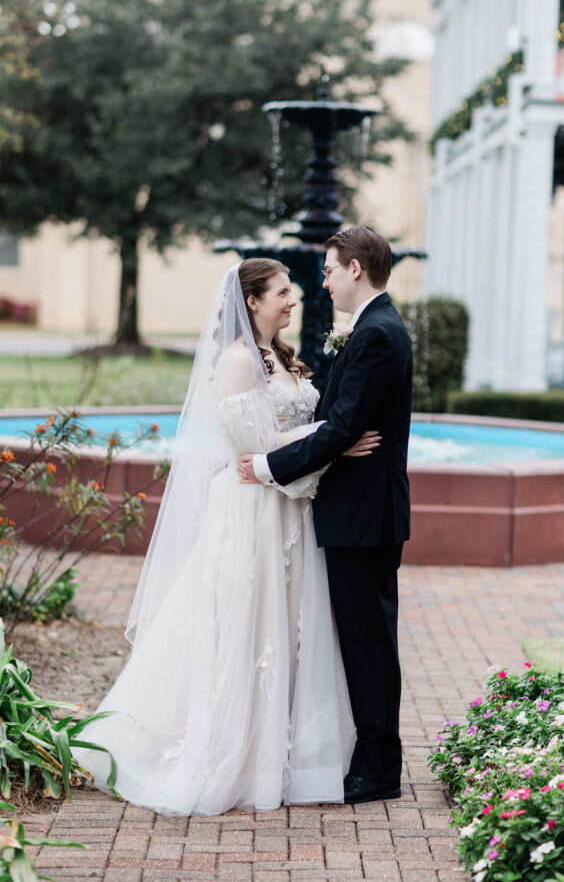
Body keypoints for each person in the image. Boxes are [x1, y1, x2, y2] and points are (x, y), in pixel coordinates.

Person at [76, 258, 379, 815]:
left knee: (287, 628)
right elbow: (257, 453)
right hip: (255, 513)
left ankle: (280, 754)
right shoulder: (239, 363)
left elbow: (286, 445)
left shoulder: (280, 358)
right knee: (249, 628)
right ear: (253, 301)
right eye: (283, 292)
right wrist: (336, 445)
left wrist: (328, 440)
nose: (295, 300)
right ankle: (234, 760)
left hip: (288, 510)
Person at [238, 226, 413, 804]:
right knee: (363, 640)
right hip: (358, 511)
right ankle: (372, 756)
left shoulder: (377, 335)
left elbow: (342, 428)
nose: (325, 280)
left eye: (331, 269)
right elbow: (341, 423)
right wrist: (336, 436)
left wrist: (267, 466)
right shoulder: (369, 329)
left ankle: (380, 767)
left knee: (368, 642)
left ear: (356, 270)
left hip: (363, 516)